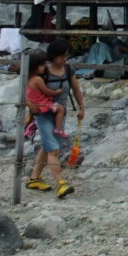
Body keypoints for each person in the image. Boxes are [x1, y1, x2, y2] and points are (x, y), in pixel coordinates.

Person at [27, 40, 84, 197]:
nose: (65, 59)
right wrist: (30, 110)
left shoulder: (68, 70)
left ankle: (34, 179)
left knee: (47, 146)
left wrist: (82, 108)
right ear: (53, 56)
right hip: (43, 113)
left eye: (67, 56)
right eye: (62, 56)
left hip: (60, 113)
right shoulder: (42, 71)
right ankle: (61, 183)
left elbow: (76, 89)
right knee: (53, 148)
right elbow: (29, 89)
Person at [24, 51, 68, 141]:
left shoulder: (27, 78)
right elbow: (46, 91)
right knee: (61, 109)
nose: (45, 67)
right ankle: (59, 129)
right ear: (35, 66)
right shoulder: (38, 79)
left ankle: (32, 125)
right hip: (44, 104)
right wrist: (56, 92)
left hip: (35, 104)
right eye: (42, 65)